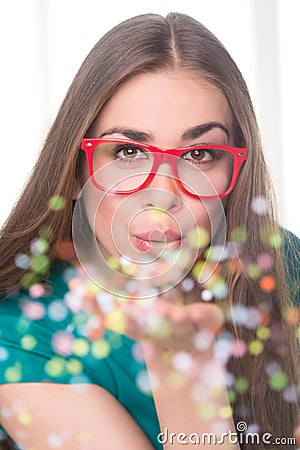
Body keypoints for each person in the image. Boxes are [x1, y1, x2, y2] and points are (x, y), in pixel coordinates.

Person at [0, 12, 299, 450]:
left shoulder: (284, 266)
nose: (163, 194)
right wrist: (182, 367)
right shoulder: (19, 334)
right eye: (127, 151)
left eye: (199, 155)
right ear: (78, 166)